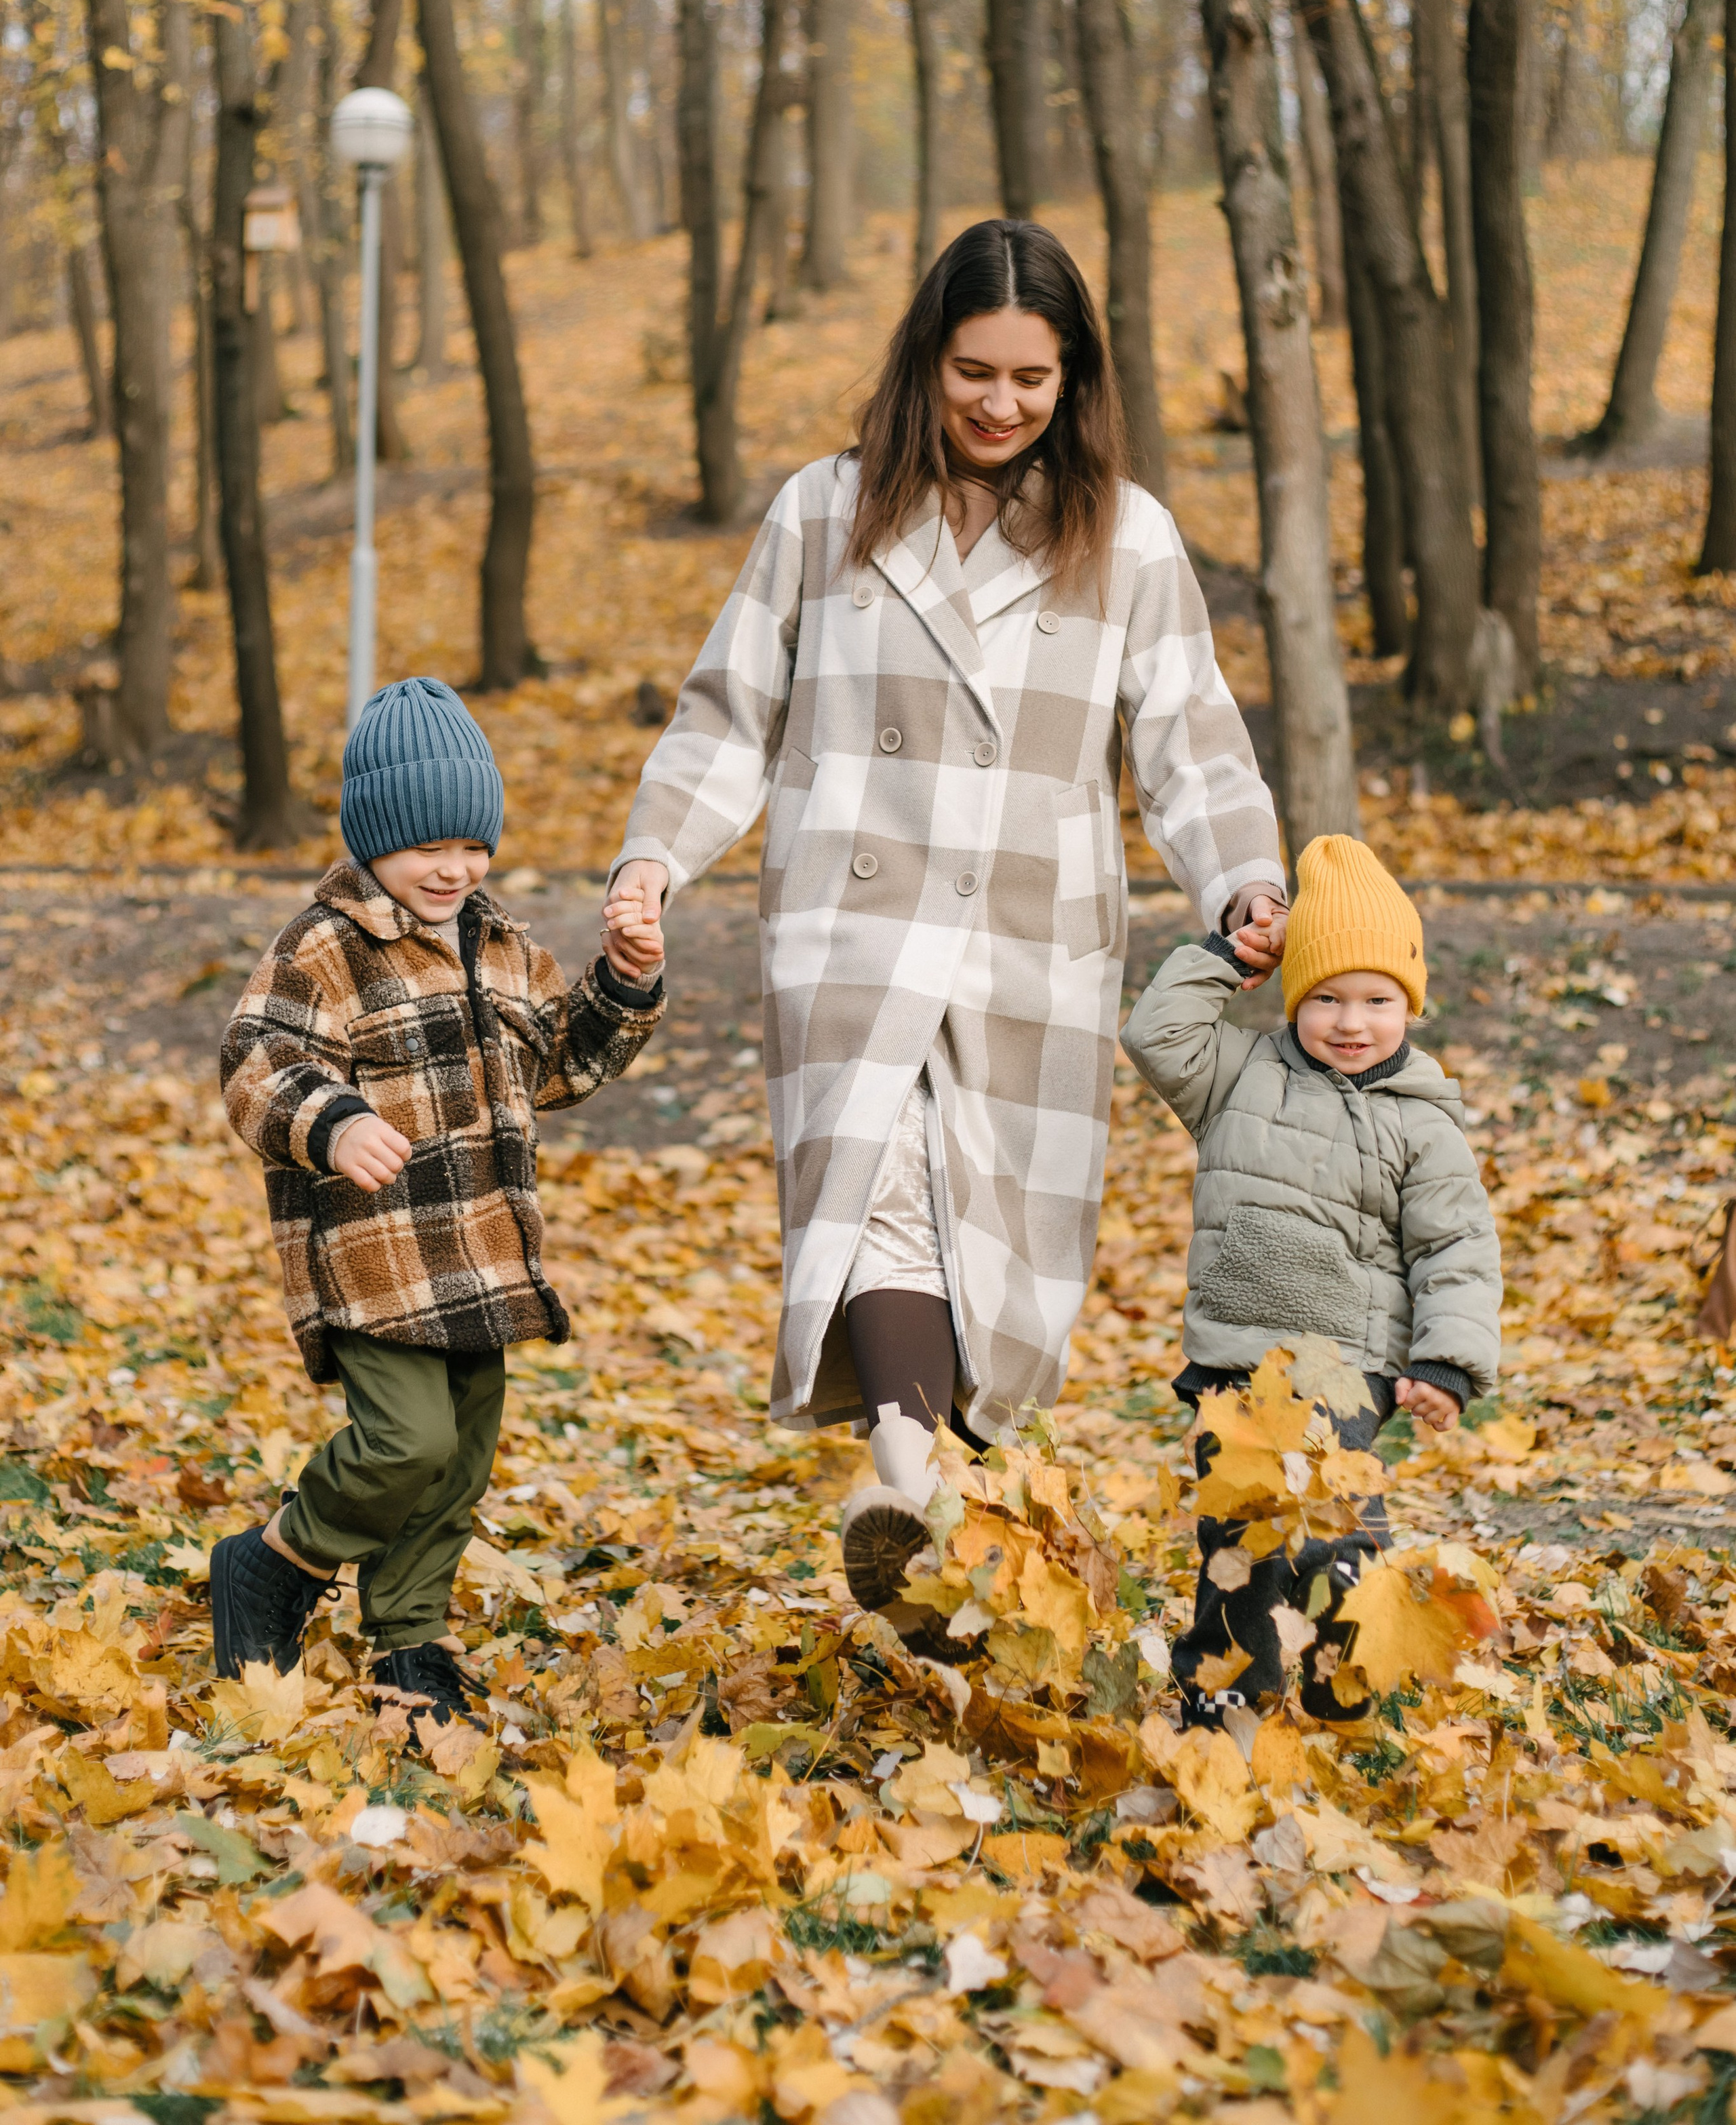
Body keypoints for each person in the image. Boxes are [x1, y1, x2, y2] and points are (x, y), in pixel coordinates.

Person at [601, 218, 1288, 1637]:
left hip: (1033, 939)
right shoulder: (821, 510)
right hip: (850, 929)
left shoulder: (1128, 537)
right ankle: (900, 1481)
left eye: (1030, 379)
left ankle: (936, 1531)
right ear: (925, 362)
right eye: (972, 371)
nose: (997, 405)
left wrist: (1239, 882)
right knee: (878, 1183)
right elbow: (730, 709)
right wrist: (653, 861)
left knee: (1000, 1249)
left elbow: (1190, 747)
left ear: (1072, 379)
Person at [216, 676, 664, 1718]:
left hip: (485, 1258)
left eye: (474, 846)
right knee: (402, 1444)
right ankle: (276, 1559)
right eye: (430, 848)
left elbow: (562, 1062)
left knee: (456, 1466)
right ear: (375, 839)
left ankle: (407, 1646)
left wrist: (625, 985)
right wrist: (331, 1120)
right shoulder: (328, 947)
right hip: (381, 1262)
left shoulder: (501, 945)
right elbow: (252, 1057)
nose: (455, 868)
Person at [1121, 832, 1502, 1728]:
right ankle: (1224, 1697)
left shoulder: (1423, 1125)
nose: (1351, 1021)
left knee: (1334, 1532)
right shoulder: (1240, 1075)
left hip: (1346, 1366)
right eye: (1326, 996)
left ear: (1409, 1002)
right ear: (1294, 996)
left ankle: (1349, 1673)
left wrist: (1446, 1364)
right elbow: (1155, 1033)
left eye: (1377, 999)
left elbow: (1457, 1248)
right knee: (1244, 1543)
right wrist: (1229, 959)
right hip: (1235, 1363)